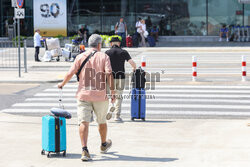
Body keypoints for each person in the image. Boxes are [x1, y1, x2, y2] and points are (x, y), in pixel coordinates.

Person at [58, 34, 116, 161]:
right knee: (101, 121)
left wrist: (62, 84)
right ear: (99, 45)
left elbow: (70, 73)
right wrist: (113, 92)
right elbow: (109, 74)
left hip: (83, 95)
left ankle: (84, 150)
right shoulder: (104, 56)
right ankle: (103, 144)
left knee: (83, 122)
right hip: (100, 96)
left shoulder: (80, 56)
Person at [105, 37, 136, 122]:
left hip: (110, 77)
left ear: (111, 44)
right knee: (119, 97)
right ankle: (117, 116)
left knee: (110, 95)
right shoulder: (123, 52)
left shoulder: (107, 52)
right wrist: (134, 68)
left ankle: (111, 105)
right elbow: (132, 63)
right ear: (119, 43)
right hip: (121, 77)